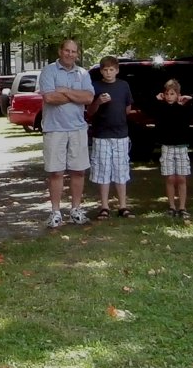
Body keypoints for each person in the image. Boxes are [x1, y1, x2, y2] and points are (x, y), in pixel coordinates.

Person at [37, 39, 95, 228]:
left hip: (78, 128)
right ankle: (55, 212)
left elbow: (88, 97)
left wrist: (66, 91)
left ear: (77, 54)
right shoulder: (49, 71)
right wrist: (75, 95)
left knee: (78, 171)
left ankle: (76, 210)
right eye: (67, 50)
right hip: (54, 129)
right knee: (56, 171)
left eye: (74, 51)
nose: (70, 54)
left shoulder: (83, 73)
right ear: (60, 51)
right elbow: (49, 97)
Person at [88, 56, 136, 218]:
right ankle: (104, 206)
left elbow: (128, 107)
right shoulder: (95, 86)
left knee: (121, 169)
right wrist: (98, 102)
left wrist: (119, 118)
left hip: (121, 135)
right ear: (101, 71)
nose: (109, 73)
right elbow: (90, 112)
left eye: (111, 70)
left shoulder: (123, 85)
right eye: (105, 70)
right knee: (103, 170)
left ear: (117, 70)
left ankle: (123, 206)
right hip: (101, 135)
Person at [150, 78, 193, 220]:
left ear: (178, 94)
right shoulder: (161, 109)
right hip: (167, 147)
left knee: (181, 178)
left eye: (172, 94)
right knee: (170, 178)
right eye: (167, 94)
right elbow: (149, 111)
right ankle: (171, 206)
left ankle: (182, 207)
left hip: (181, 147)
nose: (170, 96)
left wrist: (190, 99)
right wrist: (156, 100)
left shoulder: (184, 109)